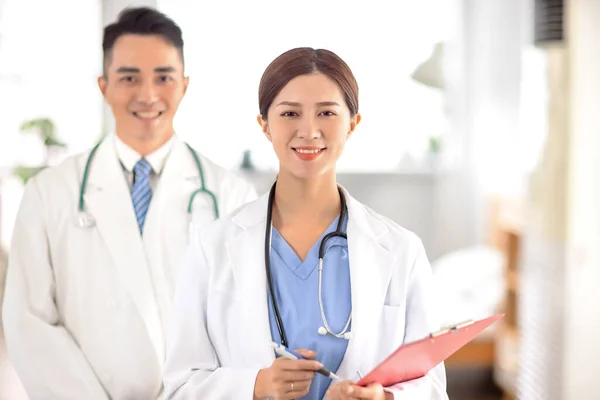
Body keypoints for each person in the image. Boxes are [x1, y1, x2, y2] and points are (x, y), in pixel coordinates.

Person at [163, 47, 449, 400]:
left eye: (327, 113)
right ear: (265, 126)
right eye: (290, 113)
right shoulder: (211, 247)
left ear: (352, 124)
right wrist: (255, 386)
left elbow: (431, 386)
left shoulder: (402, 250)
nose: (309, 131)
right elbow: (179, 386)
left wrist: (383, 398)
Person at [2, 6, 257, 400]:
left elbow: (244, 325)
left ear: (184, 86)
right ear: (104, 86)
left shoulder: (232, 196)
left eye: (164, 77)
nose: (148, 94)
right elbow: (28, 320)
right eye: (129, 77)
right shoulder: (50, 192)